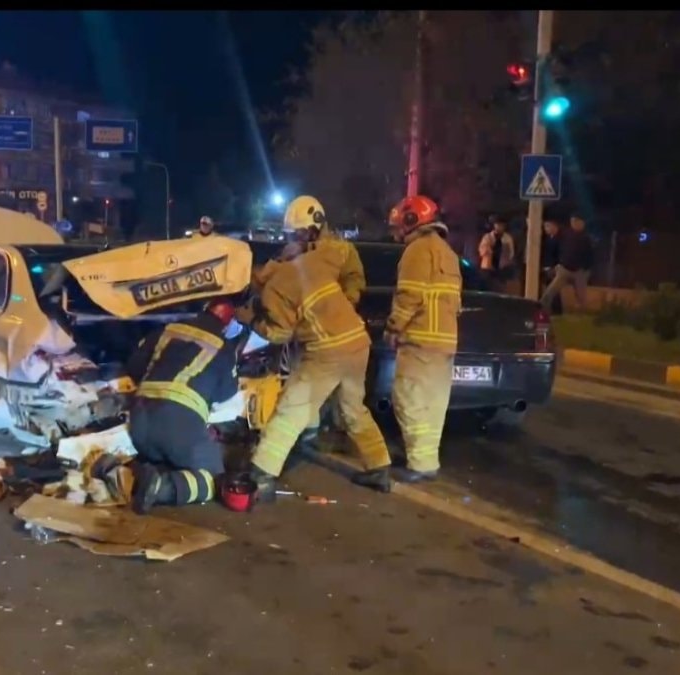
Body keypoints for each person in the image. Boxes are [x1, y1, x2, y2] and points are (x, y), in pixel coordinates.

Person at [247, 195, 392, 498]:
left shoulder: (276, 285)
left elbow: (278, 333)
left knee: (292, 408)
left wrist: (249, 317)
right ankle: (380, 467)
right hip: (357, 342)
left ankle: (261, 473)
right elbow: (342, 270)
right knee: (352, 408)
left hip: (328, 349)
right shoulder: (323, 257)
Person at [117, 298, 242, 513]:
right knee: (216, 479)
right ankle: (162, 489)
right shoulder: (224, 347)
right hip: (177, 424)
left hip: (139, 420)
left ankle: (123, 471)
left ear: (205, 309)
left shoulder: (169, 329)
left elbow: (135, 365)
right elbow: (227, 392)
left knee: (163, 454)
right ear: (228, 324)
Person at [384, 195, 462, 483]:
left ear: (411, 220)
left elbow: (409, 296)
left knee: (408, 398)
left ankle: (419, 464)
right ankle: (426, 461)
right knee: (433, 403)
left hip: (420, 339)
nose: (396, 233)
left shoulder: (417, 250)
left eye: (398, 226)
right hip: (445, 341)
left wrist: (393, 328)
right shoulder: (448, 253)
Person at [541, 213, 593, 312]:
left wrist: (586, 270)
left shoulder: (586, 238)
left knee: (581, 298)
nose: (573, 223)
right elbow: (553, 243)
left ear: (582, 223)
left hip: (579, 272)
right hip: (564, 270)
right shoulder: (565, 233)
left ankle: (580, 315)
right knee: (550, 292)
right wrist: (555, 265)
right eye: (572, 221)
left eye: (576, 221)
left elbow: (590, 255)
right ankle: (542, 310)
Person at [479, 215, 516, 293]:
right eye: (498, 225)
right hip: (488, 267)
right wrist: (489, 248)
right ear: (494, 225)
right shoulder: (488, 237)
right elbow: (481, 250)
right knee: (487, 287)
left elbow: (511, 253)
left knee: (500, 288)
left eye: (502, 225)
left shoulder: (507, 238)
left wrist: (506, 259)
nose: (500, 227)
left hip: (502, 268)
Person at [540, 219, 564, 315]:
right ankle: (549, 309)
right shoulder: (547, 239)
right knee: (548, 288)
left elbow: (560, 253)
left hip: (554, 267)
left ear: (554, 226)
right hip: (546, 266)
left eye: (548, 226)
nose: (546, 229)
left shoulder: (560, 239)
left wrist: (557, 265)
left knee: (554, 290)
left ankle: (557, 310)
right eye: (545, 226)